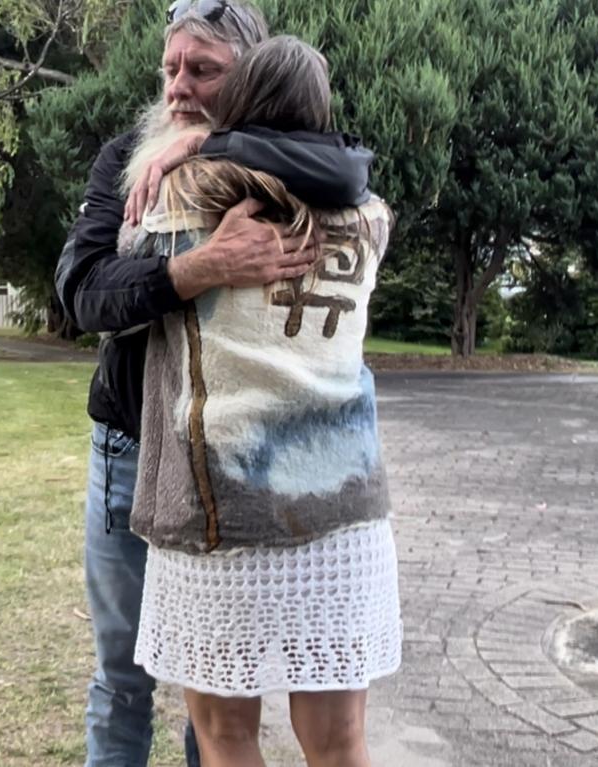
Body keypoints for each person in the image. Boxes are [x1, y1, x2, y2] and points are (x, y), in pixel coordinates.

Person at [55, 2, 376, 765]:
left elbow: (350, 167)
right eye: (170, 68)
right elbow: (81, 292)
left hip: (243, 470)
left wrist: (215, 142)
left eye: (203, 70)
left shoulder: (301, 166)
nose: (177, 88)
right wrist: (197, 267)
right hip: (135, 447)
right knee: (124, 674)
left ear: (253, 79)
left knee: (218, 698)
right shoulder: (130, 160)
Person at [125, 35, 402, 767]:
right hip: (343, 514)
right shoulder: (370, 218)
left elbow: (119, 266)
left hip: (223, 511)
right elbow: (337, 172)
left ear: (239, 105)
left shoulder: (189, 199)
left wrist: (186, 148)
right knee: (341, 744)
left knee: (224, 736)